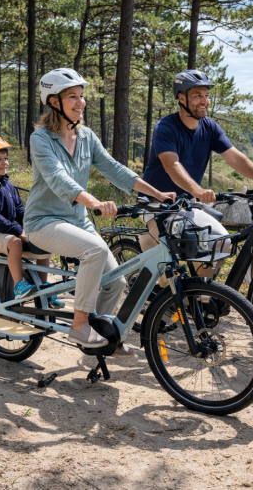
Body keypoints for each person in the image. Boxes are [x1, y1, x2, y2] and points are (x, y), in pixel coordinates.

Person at [24, 68, 176, 352]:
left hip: (77, 222)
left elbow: (114, 169)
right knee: (94, 249)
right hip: (43, 221)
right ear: (54, 101)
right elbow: (58, 179)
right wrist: (94, 202)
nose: (81, 102)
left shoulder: (86, 136)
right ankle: (80, 325)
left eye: (82, 96)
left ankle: (103, 335)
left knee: (116, 282)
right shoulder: (41, 139)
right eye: (73, 96)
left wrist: (156, 194)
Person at [139, 69, 253, 256]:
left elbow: (235, 158)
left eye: (206, 95)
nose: (204, 101)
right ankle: (158, 269)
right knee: (166, 264)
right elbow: (171, 165)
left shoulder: (210, 128)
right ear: (182, 98)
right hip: (156, 203)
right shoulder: (166, 127)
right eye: (197, 95)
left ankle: (198, 286)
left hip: (187, 204)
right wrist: (197, 191)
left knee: (221, 246)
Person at [0, 135, 64, 308]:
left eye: (5, 158)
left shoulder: (7, 185)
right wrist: (17, 231)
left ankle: (42, 286)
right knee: (14, 243)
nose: (4, 162)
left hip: (5, 231)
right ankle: (19, 285)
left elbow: (20, 210)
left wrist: (33, 225)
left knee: (44, 240)